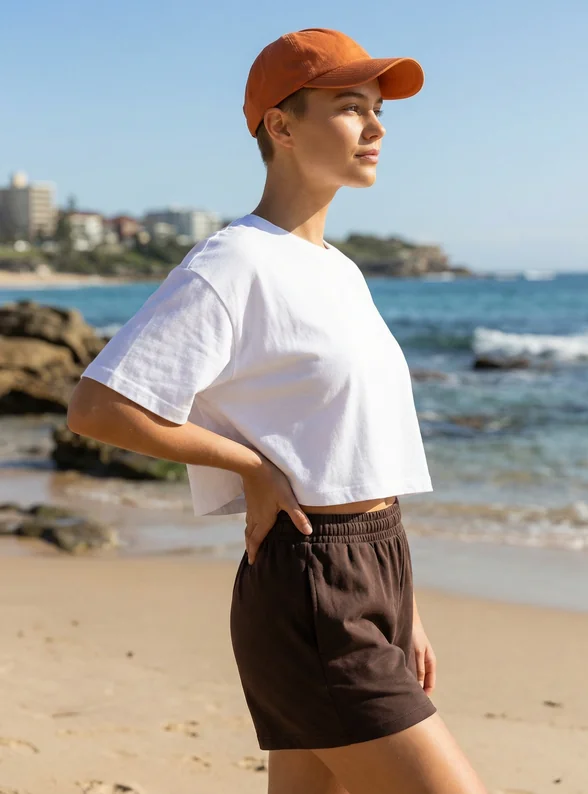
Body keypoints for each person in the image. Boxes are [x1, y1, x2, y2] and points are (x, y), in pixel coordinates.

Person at [67, 27, 487, 794]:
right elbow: (98, 406)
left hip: (371, 567)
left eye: (378, 110)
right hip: (310, 583)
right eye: (351, 107)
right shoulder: (234, 262)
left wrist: (405, 608)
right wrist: (249, 466)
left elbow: (356, 449)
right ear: (281, 126)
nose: (377, 127)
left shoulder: (339, 270)